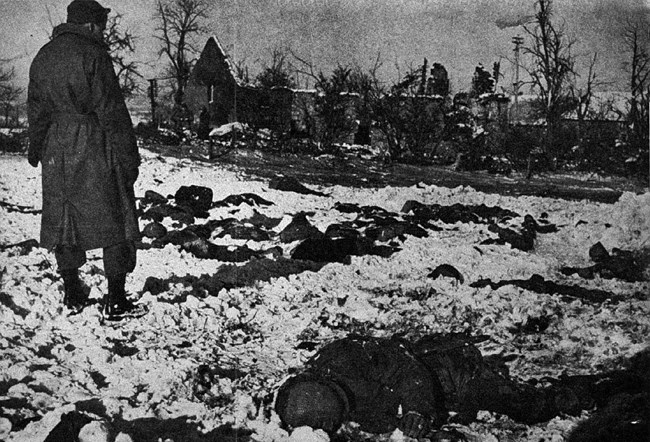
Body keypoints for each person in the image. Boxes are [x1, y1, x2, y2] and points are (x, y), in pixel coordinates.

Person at [28, 0, 143, 321]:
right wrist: (128, 157)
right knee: (116, 214)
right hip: (94, 142)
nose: (104, 31)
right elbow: (112, 110)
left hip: (56, 147)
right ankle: (116, 298)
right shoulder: (94, 54)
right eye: (102, 25)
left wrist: (36, 149)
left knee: (64, 217)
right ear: (91, 25)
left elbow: (36, 110)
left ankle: (72, 290)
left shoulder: (43, 56)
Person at [275, 334, 614, 439]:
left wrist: (418, 410)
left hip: (452, 373)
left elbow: (409, 370)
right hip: (436, 396)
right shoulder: (307, 389)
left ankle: (591, 391)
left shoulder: (347, 358)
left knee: (527, 407)